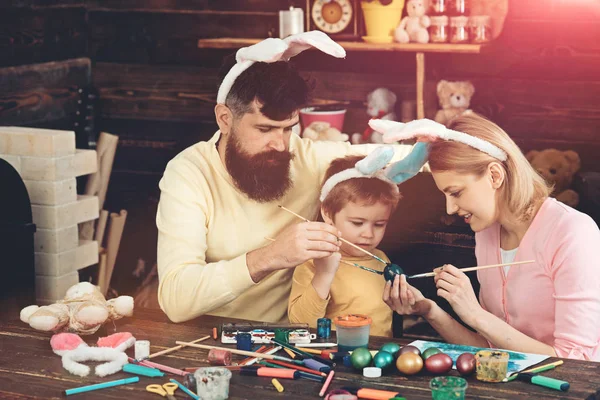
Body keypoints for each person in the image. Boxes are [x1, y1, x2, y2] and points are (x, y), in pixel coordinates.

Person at [155, 32, 424, 323]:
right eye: (265, 129)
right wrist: (272, 256)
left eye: (288, 128)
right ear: (224, 119)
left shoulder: (305, 156)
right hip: (207, 338)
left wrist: (450, 151)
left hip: (284, 344)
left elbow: (396, 155)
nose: (281, 145)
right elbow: (176, 299)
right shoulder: (188, 173)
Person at [377, 114, 600, 360]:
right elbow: (491, 350)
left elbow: (576, 361)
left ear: (495, 175)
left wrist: (475, 314)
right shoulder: (487, 233)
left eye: (456, 192)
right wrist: (430, 311)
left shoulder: (572, 233)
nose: (450, 208)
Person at [288, 150, 402, 337]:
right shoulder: (313, 262)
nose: (368, 234)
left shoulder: (381, 259)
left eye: (379, 224)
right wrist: (324, 274)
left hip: (378, 356)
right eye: (357, 223)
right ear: (327, 213)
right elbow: (301, 324)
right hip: (334, 359)